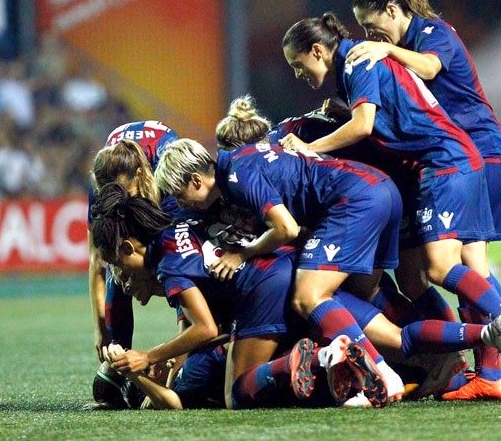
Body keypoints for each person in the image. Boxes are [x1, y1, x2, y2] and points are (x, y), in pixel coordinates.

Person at [279, 12, 501, 397]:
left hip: (442, 163)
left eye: (296, 64)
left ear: (317, 50)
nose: (297, 74)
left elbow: (364, 124)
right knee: (417, 278)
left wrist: (308, 148)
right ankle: (469, 370)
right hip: (438, 166)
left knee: (441, 268)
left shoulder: (357, 61)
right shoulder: (358, 65)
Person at [347, 0, 501, 398]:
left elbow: (429, 66)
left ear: (393, 8)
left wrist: (387, 53)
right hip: (465, 155)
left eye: (372, 24)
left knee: (464, 265)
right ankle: (493, 374)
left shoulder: (432, 32)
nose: (371, 35)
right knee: (463, 267)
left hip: (480, 152)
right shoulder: (408, 41)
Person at [154, 137, 408, 407]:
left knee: (308, 297)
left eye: (180, 195)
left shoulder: (237, 176)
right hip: (381, 187)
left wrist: (243, 253)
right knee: (361, 296)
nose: (181, 205)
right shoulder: (242, 158)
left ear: (196, 180)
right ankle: (439, 363)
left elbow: (287, 229)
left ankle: (383, 375)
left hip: (353, 201)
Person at [88, 121, 179, 362]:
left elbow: (181, 257)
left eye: (124, 195)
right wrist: (102, 329)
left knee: (177, 266)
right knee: (118, 259)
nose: (117, 201)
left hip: (163, 178)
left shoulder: (169, 174)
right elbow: (98, 260)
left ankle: (187, 355)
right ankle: (120, 357)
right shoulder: (100, 188)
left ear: (140, 176)